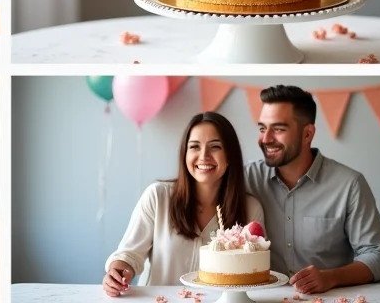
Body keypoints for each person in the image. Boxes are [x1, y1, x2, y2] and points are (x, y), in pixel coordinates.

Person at [244, 85, 380, 296]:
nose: (265, 138)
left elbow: (379, 256)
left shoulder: (349, 184)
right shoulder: (247, 179)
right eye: (262, 128)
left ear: (307, 134)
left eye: (278, 129)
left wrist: (331, 277)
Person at [104, 112, 264, 295]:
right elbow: (129, 255)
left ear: (229, 156)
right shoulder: (158, 197)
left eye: (215, 147)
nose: (204, 156)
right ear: (185, 154)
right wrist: (118, 273)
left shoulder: (251, 208)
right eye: (195, 147)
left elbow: (255, 274)